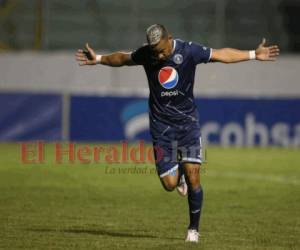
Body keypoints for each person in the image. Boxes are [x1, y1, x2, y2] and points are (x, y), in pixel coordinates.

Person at [75, 24, 280, 243]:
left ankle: (193, 229)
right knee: (170, 184)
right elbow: (123, 59)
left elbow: (221, 54)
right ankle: (179, 173)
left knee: (195, 177)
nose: (160, 55)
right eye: (156, 52)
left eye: (162, 50)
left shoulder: (189, 51)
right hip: (161, 127)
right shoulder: (148, 54)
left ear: (169, 38)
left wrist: (253, 54)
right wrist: (98, 59)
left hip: (187, 124)